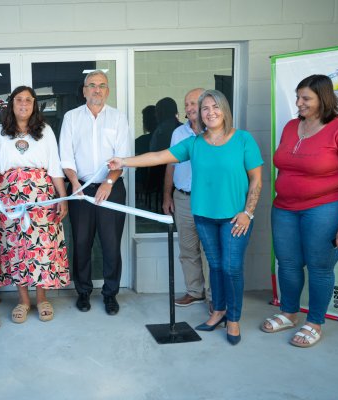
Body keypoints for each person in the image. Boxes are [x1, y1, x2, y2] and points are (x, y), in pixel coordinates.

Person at [108, 90, 263, 345]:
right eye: (205, 108)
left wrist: (248, 212)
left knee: (231, 267)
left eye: (215, 107)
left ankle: (233, 318)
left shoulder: (243, 140)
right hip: (203, 215)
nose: (210, 112)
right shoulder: (194, 143)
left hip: (235, 218)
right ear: (199, 114)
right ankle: (218, 311)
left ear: (224, 110)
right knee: (214, 265)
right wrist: (123, 161)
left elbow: (256, 179)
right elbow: (158, 156)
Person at [261, 74, 338, 347]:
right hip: (285, 208)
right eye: (298, 97)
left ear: (323, 99)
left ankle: (314, 322)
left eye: (305, 98)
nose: (299, 103)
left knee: (320, 267)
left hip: (325, 208)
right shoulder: (291, 127)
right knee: (287, 263)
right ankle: (289, 312)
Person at [0, 85, 69, 323]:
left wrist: (62, 198)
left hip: (41, 198)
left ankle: (42, 298)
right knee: (16, 250)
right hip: (10, 198)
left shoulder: (45, 131)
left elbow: (54, 167)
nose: (24, 104)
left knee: (41, 248)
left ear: (34, 105)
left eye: (29, 100)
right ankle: (23, 300)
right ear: (12, 104)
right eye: (19, 100)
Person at [59, 70, 130, 315]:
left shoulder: (118, 118)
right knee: (81, 243)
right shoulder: (71, 118)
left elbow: (121, 158)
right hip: (80, 189)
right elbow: (65, 156)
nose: (97, 89)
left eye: (102, 85)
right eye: (92, 85)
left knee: (111, 245)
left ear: (107, 91)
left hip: (111, 187)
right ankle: (84, 292)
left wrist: (108, 182)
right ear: (84, 90)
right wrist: (73, 182)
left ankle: (110, 294)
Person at [162, 88, 212, 311]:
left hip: (210, 200)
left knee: (210, 251)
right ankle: (195, 292)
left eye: (194, 103)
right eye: (187, 105)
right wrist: (167, 195)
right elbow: (171, 165)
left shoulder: (219, 133)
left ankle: (214, 298)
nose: (190, 108)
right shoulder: (179, 133)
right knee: (188, 249)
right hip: (182, 198)